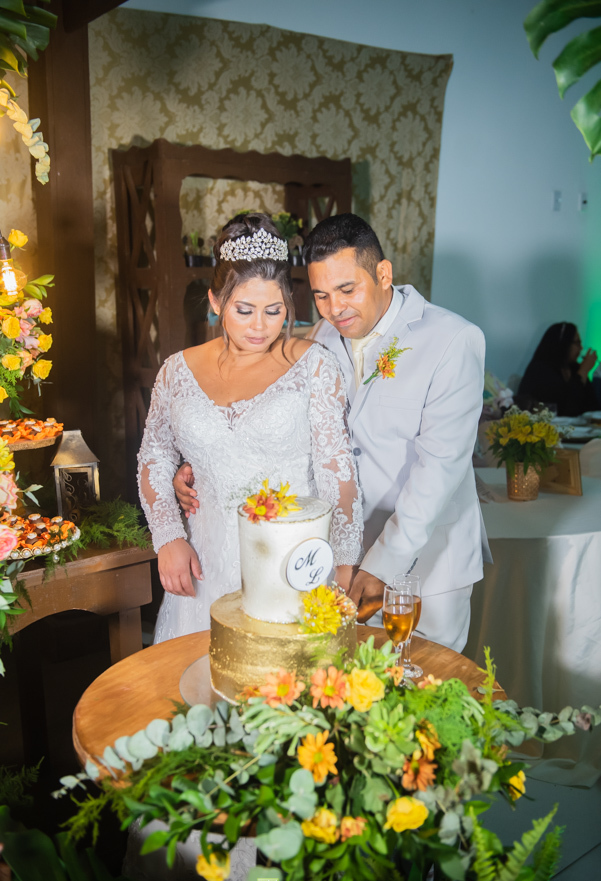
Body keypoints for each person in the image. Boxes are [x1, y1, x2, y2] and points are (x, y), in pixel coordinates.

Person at [176, 214, 487, 653]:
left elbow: (440, 470)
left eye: (347, 290)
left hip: (425, 571)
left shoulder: (453, 341)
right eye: (320, 295)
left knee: (419, 698)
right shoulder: (321, 336)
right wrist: (198, 464)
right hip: (332, 567)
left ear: (383, 273)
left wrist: (380, 565)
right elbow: (263, 407)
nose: (334, 308)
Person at [138, 212, 363, 644]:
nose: (260, 326)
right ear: (216, 301)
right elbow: (154, 456)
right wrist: (167, 537)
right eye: (244, 310)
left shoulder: (314, 366)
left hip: (289, 569)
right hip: (202, 571)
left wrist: (342, 562)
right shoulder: (176, 371)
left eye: (274, 310)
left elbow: (338, 473)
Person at [517, 322, 599, 416]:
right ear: (564, 343)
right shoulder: (541, 370)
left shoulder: (574, 368)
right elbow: (566, 410)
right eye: (577, 343)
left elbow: (593, 407)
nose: (581, 348)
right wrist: (583, 372)